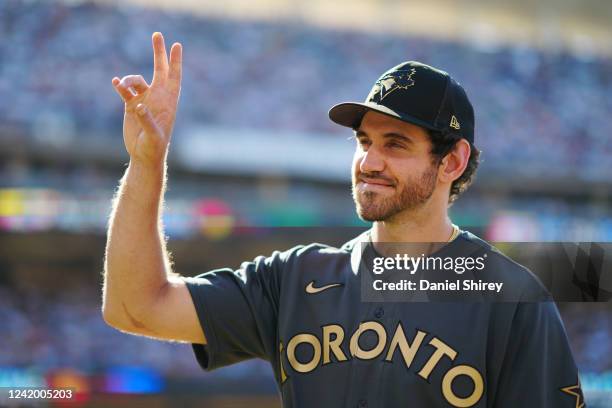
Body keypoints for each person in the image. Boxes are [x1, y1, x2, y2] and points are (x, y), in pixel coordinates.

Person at [103, 32, 585, 407]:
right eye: (363, 141)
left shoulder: (513, 300)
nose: (369, 162)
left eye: (395, 144)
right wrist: (147, 163)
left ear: (452, 163)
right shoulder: (293, 279)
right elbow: (134, 307)